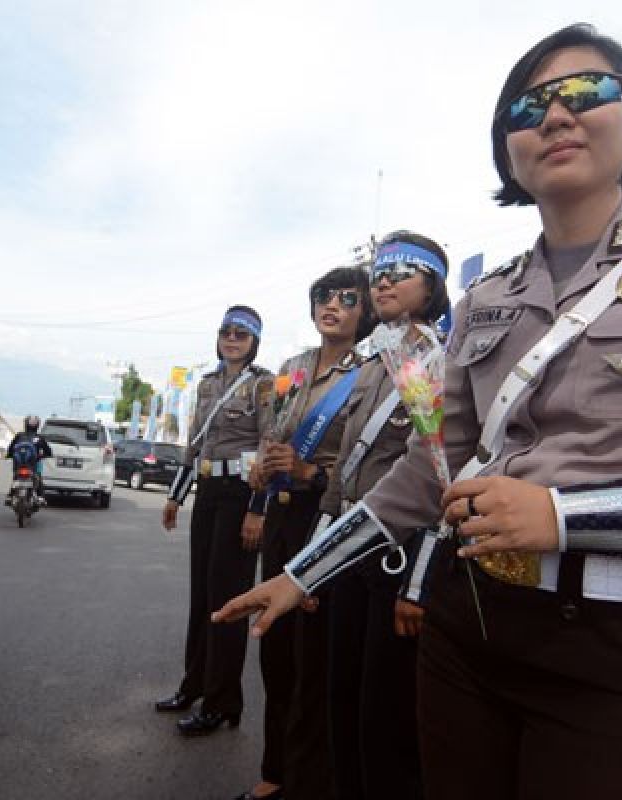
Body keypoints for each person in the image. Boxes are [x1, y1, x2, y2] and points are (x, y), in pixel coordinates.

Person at [215, 22, 622, 800]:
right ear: (508, 149)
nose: (555, 115)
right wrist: (300, 573)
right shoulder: (490, 297)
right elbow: (432, 471)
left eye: (588, 92)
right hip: (471, 625)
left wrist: (565, 516)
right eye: (528, 106)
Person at [321, 230, 451, 800]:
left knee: (386, 716)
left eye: (402, 271)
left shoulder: (435, 361)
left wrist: (419, 584)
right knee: (340, 696)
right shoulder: (373, 361)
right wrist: (314, 561)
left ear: (433, 285)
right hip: (348, 546)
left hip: (396, 556)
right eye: (379, 272)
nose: (385, 281)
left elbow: (441, 475)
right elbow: (344, 476)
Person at [235, 266, 374, 800]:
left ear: (363, 311)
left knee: (314, 658)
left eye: (345, 297)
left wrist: (310, 472)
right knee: (275, 650)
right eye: (322, 296)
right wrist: (261, 475)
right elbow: (274, 433)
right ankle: (275, 771)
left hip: (328, 520)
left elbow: (369, 463)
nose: (330, 305)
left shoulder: (370, 370)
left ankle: (310, 779)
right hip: (283, 519)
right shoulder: (292, 368)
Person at [155, 306, 275, 737]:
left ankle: (223, 702)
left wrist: (258, 508)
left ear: (254, 340)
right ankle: (193, 686)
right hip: (207, 492)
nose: (232, 338)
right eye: (226, 331)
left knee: (228, 601)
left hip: (241, 495)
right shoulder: (207, 384)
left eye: (241, 333)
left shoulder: (263, 384)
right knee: (202, 596)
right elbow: (195, 443)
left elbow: (269, 444)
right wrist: (175, 496)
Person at [5, 415, 52, 506]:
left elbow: (10, 449)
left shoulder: (19, 435)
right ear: (37, 426)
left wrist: (10, 455)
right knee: (38, 477)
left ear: (26, 424)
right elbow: (48, 452)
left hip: (19, 464)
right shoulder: (39, 438)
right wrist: (41, 456)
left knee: (16, 477)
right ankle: (40, 497)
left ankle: (10, 496)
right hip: (34, 464)